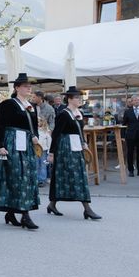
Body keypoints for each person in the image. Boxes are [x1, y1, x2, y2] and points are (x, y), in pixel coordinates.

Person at [0, 73, 41, 229]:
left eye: (29, 86)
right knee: (16, 176)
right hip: (11, 142)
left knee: (27, 176)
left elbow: (34, 126)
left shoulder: (31, 106)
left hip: (26, 144)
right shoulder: (8, 104)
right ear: (17, 88)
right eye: (25, 86)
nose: (29, 88)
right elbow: (0, 125)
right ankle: (25, 215)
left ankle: (11, 213)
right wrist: (0, 145)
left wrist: (35, 136)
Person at [47, 86, 101, 220]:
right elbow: (56, 134)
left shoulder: (79, 112)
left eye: (79, 97)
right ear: (70, 99)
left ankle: (84, 208)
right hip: (65, 148)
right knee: (63, 176)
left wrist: (84, 142)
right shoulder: (64, 114)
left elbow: (79, 131)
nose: (79, 99)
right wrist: (52, 153)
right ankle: (54, 204)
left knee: (79, 176)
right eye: (77, 97)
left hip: (76, 146)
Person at [121, 95, 139, 177]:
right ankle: (131, 170)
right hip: (130, 135)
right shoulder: (128, 111)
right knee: (130, 153)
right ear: (132, 102)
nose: (137, 101)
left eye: (138, 100)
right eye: (135, 100)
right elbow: (124, 124)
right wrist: (122, 136)